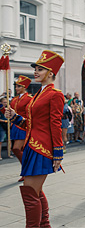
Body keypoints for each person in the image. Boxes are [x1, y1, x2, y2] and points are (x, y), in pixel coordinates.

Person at [5, 50, 65, 227]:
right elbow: (32, 124)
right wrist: (16, 116)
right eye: (36, 69)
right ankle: (44, 224)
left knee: (30, 192)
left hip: (42, 149)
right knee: (35, 192)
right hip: (31, 147)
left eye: (40, 69)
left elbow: (55, 125)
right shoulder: (39, 93)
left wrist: (58, 152)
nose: (36, 72)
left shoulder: (55, 94)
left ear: (51, 73)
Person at [7, 76, 33, 180]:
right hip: (15, 126)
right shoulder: (14, 99)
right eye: (16, 86)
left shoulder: (30, 99)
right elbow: (9, 113)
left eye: (19, 86)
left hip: (24, 126)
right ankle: (26, 171)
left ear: (24, 87)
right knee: (20, 149)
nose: (16, 88)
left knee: (16, 148)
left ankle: (26, 170)